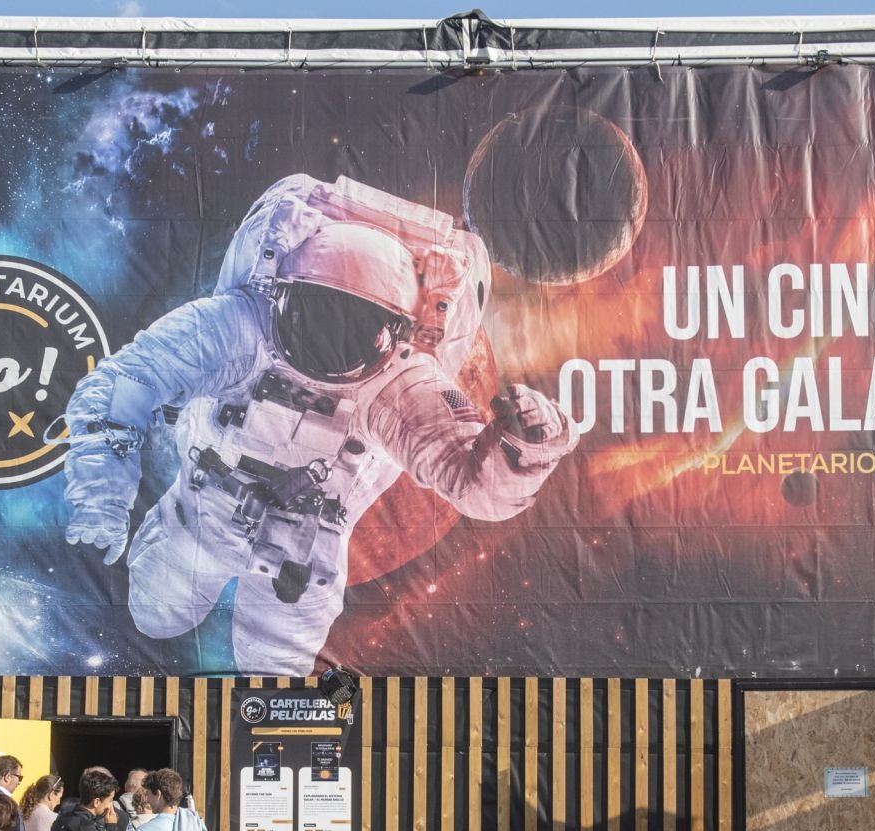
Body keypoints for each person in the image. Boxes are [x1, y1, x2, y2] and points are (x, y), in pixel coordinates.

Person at [61, 172, 580, 676]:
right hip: (200, 510)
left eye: (356, 326)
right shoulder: (239, 326)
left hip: (305, 549)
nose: (332, 339)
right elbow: (122, 387)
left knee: (272, 677)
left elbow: (473, 487)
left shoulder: (401, 382)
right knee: (154, 617)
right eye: (321, 314)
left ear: (397, 332)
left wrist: (525, 448)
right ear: (283, 292)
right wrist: (102, 494)